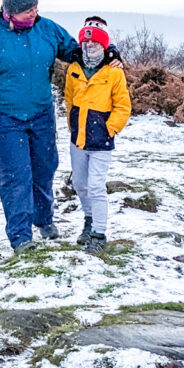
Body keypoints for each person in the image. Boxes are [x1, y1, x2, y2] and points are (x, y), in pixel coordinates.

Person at [0, 0, 120, 253]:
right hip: (3, 116)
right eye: (28, 10)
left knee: (45, 168)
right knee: (16, 175)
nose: (34, 12)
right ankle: (21, 237)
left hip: (40, 114)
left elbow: (77, 52)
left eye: (36, 7)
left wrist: (106, 51)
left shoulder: (46, 29)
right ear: (10, 13)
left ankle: (44, 219)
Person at [64, 17, 131, 254]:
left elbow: (123, 106)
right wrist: (72, 123)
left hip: (101, 141)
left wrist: (109, 128)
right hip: (78, 139)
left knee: (95, 186)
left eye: (94, 45)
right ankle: (89, 220)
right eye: (85, 44)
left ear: (104, 47)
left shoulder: (113, 73)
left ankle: (99, 234)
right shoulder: (74, 69)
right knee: (80, 184)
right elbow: (69, 99)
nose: (89, 49)